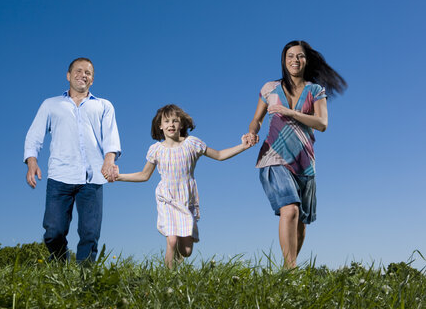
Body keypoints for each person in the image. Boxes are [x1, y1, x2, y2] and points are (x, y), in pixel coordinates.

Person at [112, 104, 252, 268]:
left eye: (175, 121)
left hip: (186, 198)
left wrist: (243, 146)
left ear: (182, 124)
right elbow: (144, 175)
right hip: (167, 199)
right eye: (166, 121)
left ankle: (177, 260)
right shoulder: (156, 150)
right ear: (160, 126)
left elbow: (220, 155)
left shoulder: (192, 144)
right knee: (171, 240)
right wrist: (119, 177)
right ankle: (167, 279)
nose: (171, 125)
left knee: (186, 251)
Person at [247, 40, 347, 268]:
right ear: (284, 60)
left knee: (301, 222)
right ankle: (290, 269)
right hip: (273, 157)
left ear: (306, 60)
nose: (295, 60)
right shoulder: (269, 88)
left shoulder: (315, 90)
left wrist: (288, 112)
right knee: (290, 210)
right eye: (290, 56)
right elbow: (257, 119)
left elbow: (322, 123)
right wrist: (252, 132)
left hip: (304, 161)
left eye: (300, 56)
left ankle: (287, 268)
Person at [24, 57, 121, 263]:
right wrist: (32, 162)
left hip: (93, 177)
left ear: (92, 80)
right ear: (68, 76)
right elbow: (34, 135)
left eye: (87, 73)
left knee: (90, 233)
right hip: (60, 176)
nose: (82, 75)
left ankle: (85, 280)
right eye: (78, 71)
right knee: (53, 231)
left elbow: (111, 137)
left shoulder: (104, 106)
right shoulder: (51, 105)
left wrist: (109, 160)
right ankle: (60, 264)